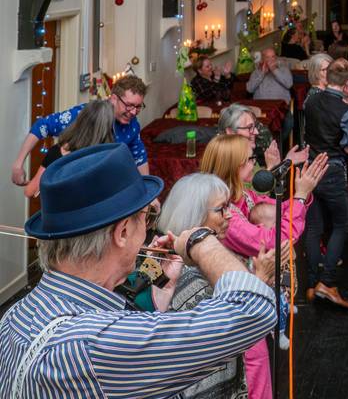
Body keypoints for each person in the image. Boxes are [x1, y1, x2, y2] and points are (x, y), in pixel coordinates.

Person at [0, 143, 276, 397]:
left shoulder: (13, 317)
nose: (148, 227)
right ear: (122, 232)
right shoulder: (95, 344)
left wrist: (160, 300)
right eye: (147, 217)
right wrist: (200, 241)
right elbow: (254, 308)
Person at [201, 134, 325, 398]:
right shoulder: (225, 214)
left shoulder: (239, 195)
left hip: (245, 288)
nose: (255, 165)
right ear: (234, 167)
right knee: (253, 364)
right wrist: (301, 197)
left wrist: (302, 194)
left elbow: (277, 209)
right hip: (233, 300)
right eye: (249, 160)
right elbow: (270, 240)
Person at [157, 172, 278, 399]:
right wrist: (259, 281)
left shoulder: (166, 255)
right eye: (220, 209)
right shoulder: (185, 273)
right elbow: (231, 325)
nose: (230, 215)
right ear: (195, 215)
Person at [302, 58, 348, 308]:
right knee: (342, 226)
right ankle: (328, 282)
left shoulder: (311, 100)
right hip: (332, 170)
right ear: (346, 84)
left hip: (310, 169)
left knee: (313, 228)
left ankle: (311, 284)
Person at [13, 75, 151, 184]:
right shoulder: (85, 115)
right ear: (114, 99)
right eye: (129, 105)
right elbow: (41, 126)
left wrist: (148, 192)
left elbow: (139, 156)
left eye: (138, 107)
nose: (133, 112)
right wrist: (18, 165)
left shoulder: (132, 125)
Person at [22, 99, 115, 198]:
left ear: (80, 120)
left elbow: (29, 191)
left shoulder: (56, 152)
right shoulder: (106, 158)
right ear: (107, 129)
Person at [217, 103, 306, 171]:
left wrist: (285, 163)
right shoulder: (225, 160)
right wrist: (271, 167)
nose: (256, 132)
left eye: (254, 126)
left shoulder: (244, 155)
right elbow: (254, 192)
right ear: (230, 131)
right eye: (249, 127)